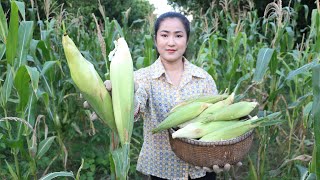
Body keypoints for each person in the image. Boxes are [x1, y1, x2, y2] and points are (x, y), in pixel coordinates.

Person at [87, 12, 237, 179]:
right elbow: (136, 106)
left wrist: (224, 152)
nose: (171, 42)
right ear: (155, 39)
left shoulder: (203, 78)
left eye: (178, 35)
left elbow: (217, 119)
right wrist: (116, 100)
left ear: (187, 41)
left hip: (202, 167)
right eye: (164, 35)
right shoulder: (142, 78)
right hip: (163, 170)